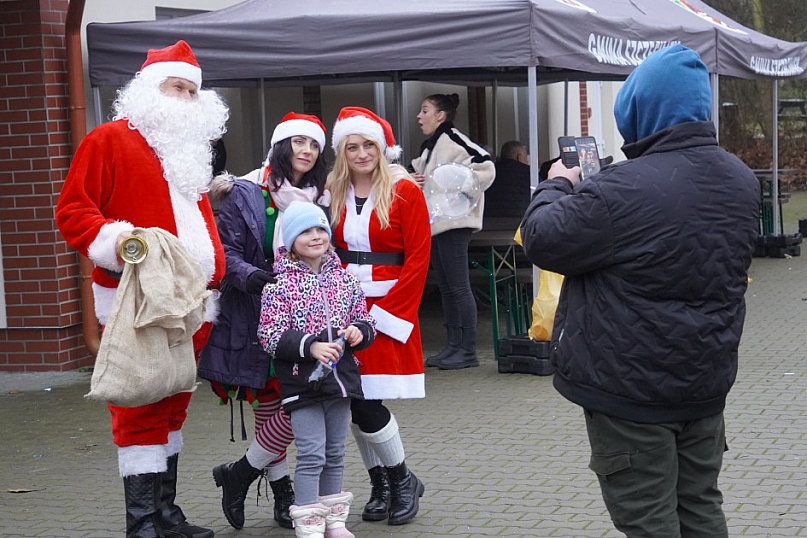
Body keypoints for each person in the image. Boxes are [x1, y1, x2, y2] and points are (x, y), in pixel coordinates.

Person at [520, 44, 760, 537]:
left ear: (640, 109)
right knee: (699, 507)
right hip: (704, 381)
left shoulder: (620, 190)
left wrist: (557, 184)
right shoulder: (740, 179)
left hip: (630, 390)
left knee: (649, 521)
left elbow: (543, 239)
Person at [55, 40, 229, 538]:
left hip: (195, 304)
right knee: (139, 408)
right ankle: (143, 524)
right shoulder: (109, 140)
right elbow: (74, 212)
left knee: (174, 403)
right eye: (177, 86)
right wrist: (123, 242)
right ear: (150, 89)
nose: (185, 98)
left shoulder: (189, 152)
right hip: (136, 301)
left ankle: (167, 515)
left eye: (193, 91)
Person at [198, 112, 330, 530]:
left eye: (313, 145)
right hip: (254, 311)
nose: (306, 151)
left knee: (303, 398)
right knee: (272, 400)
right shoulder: (247, 191)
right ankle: (281, 494)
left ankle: (239, 473)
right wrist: (252, 276)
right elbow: (225, 249)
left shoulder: (323, 194)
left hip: (308, 312)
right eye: (298, 142)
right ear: (281, 145)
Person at [327, 106, 431, 525]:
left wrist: (389, 315)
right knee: (352, 399)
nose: (361, 153)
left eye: (368, 144)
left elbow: (419, 260)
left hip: (386, 306)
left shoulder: (405, 190)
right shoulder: (332, 188)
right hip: (344, 306)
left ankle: (403, 480)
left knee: (366, 400)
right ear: (342, 151)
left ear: (381, 147)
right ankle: (382, 483)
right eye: (352, 146)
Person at [256, 201, 375, 538]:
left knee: (335, 452)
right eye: (306, 231)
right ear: (290, 240)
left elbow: (365, 319)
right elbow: (269, 335)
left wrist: (359, 332)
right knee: (311, 454)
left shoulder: (346, 280)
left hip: (341, 382)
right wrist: (310, 345)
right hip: (302, 385)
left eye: (321, 229)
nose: (315, 236)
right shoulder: (278, 286)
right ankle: (309, 523)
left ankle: (333, 520)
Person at [411, 93, 495, 370]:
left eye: (425, 111)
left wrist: (461, 190)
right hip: (436, 224)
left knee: (458, 286)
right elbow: (430, 177)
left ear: (441, 116)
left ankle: (467, 349)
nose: (419, 116)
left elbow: (486, 165)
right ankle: (453, 346)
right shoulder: (431, 145)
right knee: (447, 287)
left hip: (454, 224)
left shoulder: (453, 137)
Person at [485, 140, 531, 220]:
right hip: (520, 222)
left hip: (489, 222)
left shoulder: (491, 172)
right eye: (526, 157)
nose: (527, 161)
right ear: (519, 157)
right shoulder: (528, 173)